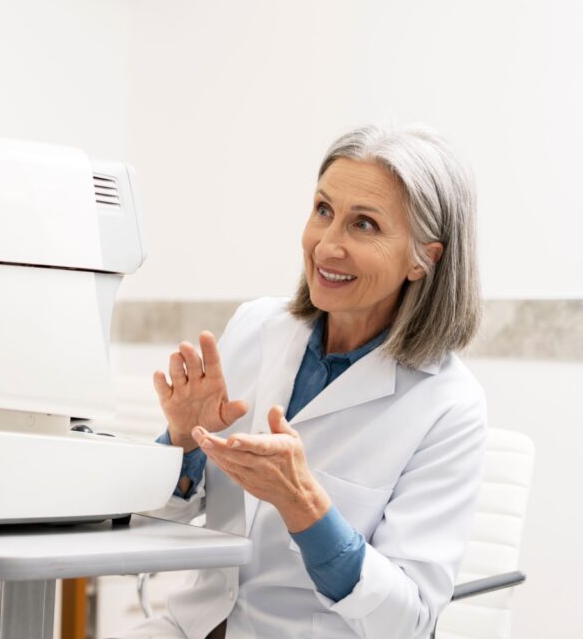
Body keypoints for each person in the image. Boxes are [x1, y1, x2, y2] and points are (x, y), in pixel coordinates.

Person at [122, 125, 486, 639]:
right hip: (191, 627)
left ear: (424, 258)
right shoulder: (256, 327)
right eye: (323, 210)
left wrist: (305, 506)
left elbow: (407, 621)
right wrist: (184, 444)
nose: (327, 245)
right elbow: (153, 518)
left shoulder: (449, 404)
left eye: (364, 224)